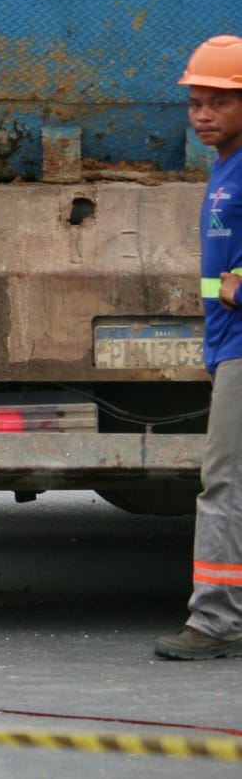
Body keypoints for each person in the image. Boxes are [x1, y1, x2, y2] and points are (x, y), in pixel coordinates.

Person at [156, 35, 242, 661]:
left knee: (224, 483)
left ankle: (214, 622)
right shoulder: (225, 166)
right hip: (228, 346)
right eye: (195, 103)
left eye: (218, 103)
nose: (202, 115)